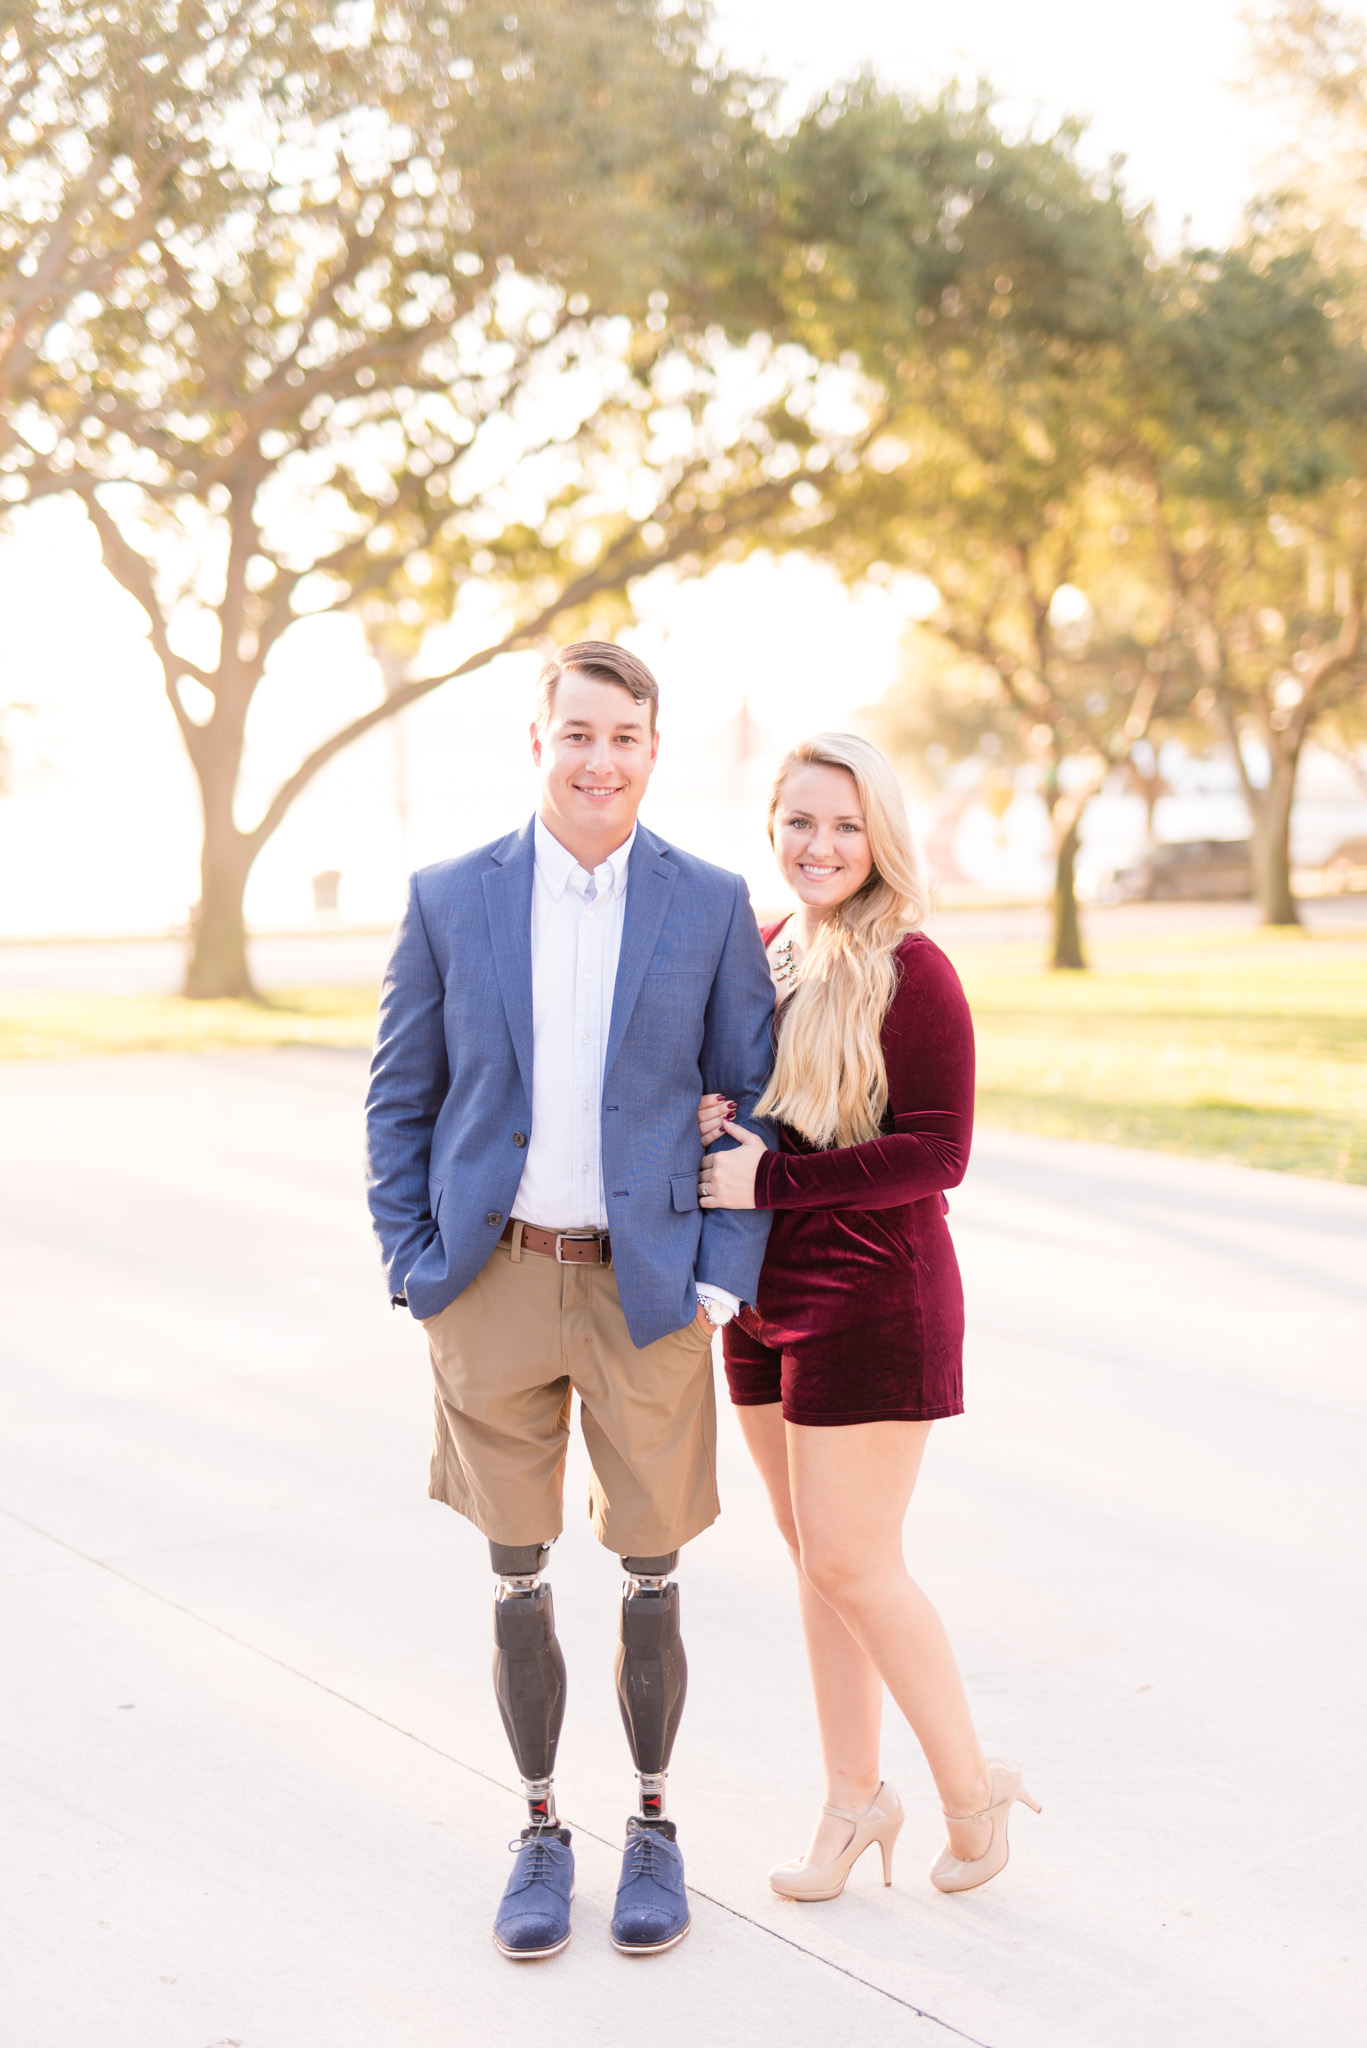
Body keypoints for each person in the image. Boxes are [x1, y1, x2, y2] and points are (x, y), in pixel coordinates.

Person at [364, 642, 775, 1961]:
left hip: (644, 1290)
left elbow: (753, 1099)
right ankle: (540, 1830)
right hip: (487, 1286)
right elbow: (399, 1096)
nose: (600, 761)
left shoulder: (708, 905)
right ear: (534, 742)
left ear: (653, 753)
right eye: (577, 734)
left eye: (625, 739)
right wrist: (413, 1264)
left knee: (650, 1567)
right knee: (516, 1573)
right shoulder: (446, 900)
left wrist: (719, 1272)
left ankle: (650, 1825)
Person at [697, 732, 1039, 1901]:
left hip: (871, 1298)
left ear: (877, 834)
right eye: (798, 820)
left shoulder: (913, 965)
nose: (819, 844)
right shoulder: (761, 949)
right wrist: (715, 1124)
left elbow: (937, 1149)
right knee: (815, 1566)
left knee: (854, 1557)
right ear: (772, 828)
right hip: (758, 1301)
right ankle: (854, 1800)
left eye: (842, 824)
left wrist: (769, 1180)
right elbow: (755, 1114)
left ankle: (969, 1790)